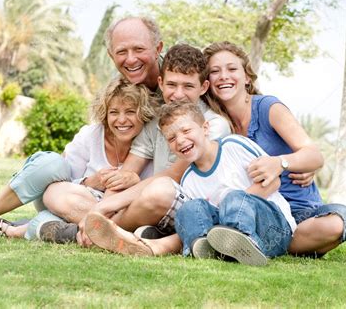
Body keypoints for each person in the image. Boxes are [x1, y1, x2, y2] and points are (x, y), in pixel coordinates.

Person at [0, 77, 156, 240]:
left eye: (130, 111)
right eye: (114, 112)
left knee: (47, 223)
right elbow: (62, 180)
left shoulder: (151, 144)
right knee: (52, 169)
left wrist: (134, 182)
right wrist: (92, 182)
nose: (121, 120)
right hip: (69, 199)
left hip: (108, 213)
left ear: (143, 113)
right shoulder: (91, 135)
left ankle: (18, 230)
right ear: (105, 114)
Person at [84, 102, 297, 266]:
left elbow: (272, 182)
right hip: (225, 233)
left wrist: (233, 206)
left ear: (205, 128)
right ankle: (202, 245)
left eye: (186, 131)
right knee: (190, 208)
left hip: (272, 227)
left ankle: (246, 242)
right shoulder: (190, 179)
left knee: (234, 198)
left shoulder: (235, 145)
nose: (181, 141)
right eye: (172, 138)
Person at [71, 44, 231, 252]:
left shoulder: (212, 124)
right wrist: (99, 211)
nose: (178, 94)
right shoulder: (155, 122)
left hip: (196, 208)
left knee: (160, 190)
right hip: (153, 208)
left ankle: (105, 230)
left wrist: (103, 210)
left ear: (203, 87)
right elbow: (127, 172)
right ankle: (113, 229)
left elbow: (175, 175)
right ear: (161, 83)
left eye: (188, 86)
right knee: (61, 196)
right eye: (172, 85)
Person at [202, 41, 346, 256]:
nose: (223, 76)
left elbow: (314, 155)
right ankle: (263, 241)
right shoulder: (215, 124)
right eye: (214, 71)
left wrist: (281, 163)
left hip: (299, 210)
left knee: (340, 221)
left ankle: (260, 243)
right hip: (258, 209)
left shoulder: (268, 108)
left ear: (247, 77)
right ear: (207, 82)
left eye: (232, 69)